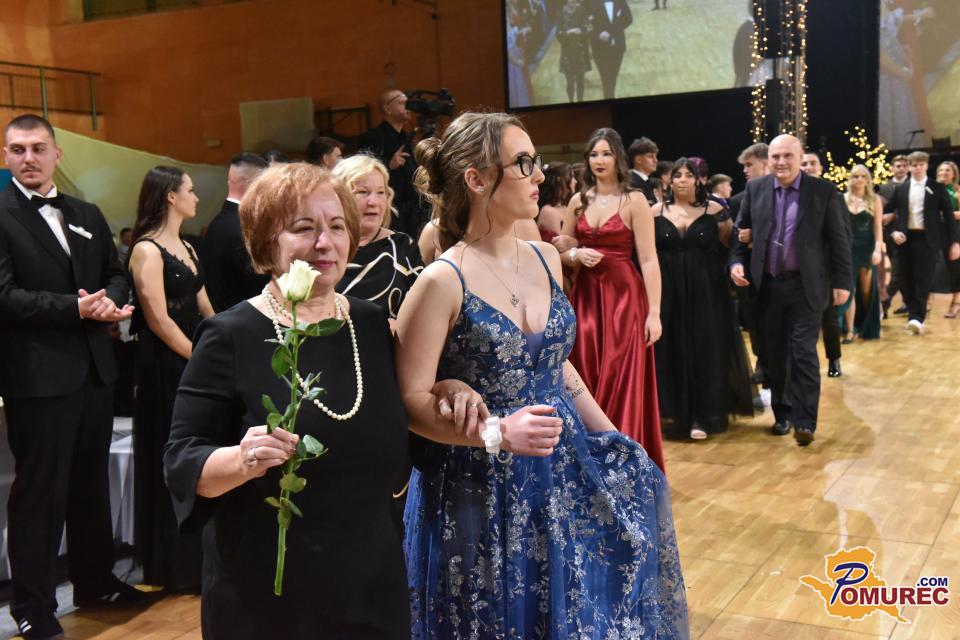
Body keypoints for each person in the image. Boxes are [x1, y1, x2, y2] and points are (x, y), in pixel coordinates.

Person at [396, 111, 688, 639]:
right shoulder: (442, 280)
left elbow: (558, 366)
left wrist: (610, 436)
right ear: (476, 179)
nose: (539, 174)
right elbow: (411, 400)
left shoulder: (546, 257)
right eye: (523, 163)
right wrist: (497, 433)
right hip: (478, 484)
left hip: (560, 466)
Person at [164, 163, 411, 638]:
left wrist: (451, 391)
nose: (325, 242)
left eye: (337, 226)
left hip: (371, 585)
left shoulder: (372, 325)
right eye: (304, 228)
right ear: (265, 241)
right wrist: (241, 460)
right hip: (266, 597)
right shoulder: (230, 334)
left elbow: (409, 420)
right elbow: (181, 461)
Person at [0, 114, 147, 640]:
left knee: (90, 483)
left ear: (56, 154)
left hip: (95, 371)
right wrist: (74, 309)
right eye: (18, 149)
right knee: (39, 493)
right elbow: (4, 296)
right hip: (37, 378)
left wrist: (112, 301)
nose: (29, 158)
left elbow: (115, 271)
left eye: (38, 148)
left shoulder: (85, 212)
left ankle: (95, 581)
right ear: (5, 156)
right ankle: (32, 605)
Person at [730, 134, 852, 446]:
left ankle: (804, 421)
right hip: (768, 286)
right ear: (769, 159)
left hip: (806, 286)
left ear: (800, 158)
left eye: (788, 156)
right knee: (774, 355)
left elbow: (839, 239)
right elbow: (740, 234)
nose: (781, 162)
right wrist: (736, 263)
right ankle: (782, 414)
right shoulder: (756, 190)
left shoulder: (823, 191)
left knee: (803, 352)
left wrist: (842, 281)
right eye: (776, 156)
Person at [127, 166, 214, 593]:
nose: (196, 197)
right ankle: (170, 563)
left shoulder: (189, 246)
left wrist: (224, 346)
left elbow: (206, 308)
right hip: (165, 365)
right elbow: (158, 320)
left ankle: (200, 559)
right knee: (169, 452)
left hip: (194, 358)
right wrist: (199, 358)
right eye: (190, 190)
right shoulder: (146, 250)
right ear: (170, 196)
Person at [560, 127, 665, 470]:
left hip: (624, 300)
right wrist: (576, 254)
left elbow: (648, 259)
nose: (599, 160)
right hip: (586, 297)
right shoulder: (578, 201)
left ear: (618, 157)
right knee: (587, 373)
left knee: (621, 376)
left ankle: (624, 464)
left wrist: (654, 312)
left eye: (606, 153)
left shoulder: (634, 200)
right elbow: (561, 249)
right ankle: (589, 464)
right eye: (593, 154)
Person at [653, 159, 753, 440]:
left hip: (707, 291)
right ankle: (673, 413)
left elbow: (730, 246)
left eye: (689, 175)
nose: (683, 180)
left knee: (705, 349)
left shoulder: (716, 210)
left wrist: (737, 264)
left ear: (699, 180)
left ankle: (703, 414)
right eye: (677, 175)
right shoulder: (654, 211)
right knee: (671, 348)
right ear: (670, 180)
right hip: (668, 291)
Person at [332, 154, 423, 329]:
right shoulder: (323, 248)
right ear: (339, 197)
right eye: (363, 192)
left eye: (380, 192)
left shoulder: (402, 246)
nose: (373, 202)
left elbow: (423, 312)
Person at [884, 150, 960, 334]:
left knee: (922, 279)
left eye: (920, 164)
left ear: (926, 165)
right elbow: (886, 215)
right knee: (903, 278)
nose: (917, 167)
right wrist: (893, 233)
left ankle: (917, 318)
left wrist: (955, 243)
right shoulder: (901, 189)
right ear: (909, 167)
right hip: (904, 240)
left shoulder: (937, 187)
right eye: (914, 165)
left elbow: (949, 218)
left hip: (927, 240)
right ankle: (912, 312)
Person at [200, 152, 269, 312]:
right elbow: (257, 284)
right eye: (265, 184)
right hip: (242, 314)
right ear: (252, 184)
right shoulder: (242, 227)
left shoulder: (220, 222)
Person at [800, 149, 844, 377]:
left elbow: (842, 235)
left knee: (829, 317)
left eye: (812, 163)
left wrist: (840, 276)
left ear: (820, 168)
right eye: (804, 163)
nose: (808, 167)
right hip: (799, 269)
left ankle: (834, 359)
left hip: (825, 268)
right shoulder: (792, 193)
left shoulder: (830, 192)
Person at [358, 89, 425, 237]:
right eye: (402, 103)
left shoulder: (407, 137)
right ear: (388, 109)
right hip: (391, 210)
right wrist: (389, 165)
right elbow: (363, 172)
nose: (408, 107)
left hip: (412, 210)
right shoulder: (373, 137)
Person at [731, 142, 770, 385]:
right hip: (750, 273)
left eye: (749, 165)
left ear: (765, 163)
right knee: (754, 322)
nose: (745, 170)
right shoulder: (738, 200)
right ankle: (762, 363)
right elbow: (736, 238)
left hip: (780, 272)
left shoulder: (786, 193)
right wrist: (735, 264)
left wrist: (756, 236)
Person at [837, 165, 883, 341]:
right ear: (851, 179)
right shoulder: (843, 199)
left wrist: (877, 249)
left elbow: (877, 227)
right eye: (856, 176)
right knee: (849, 288)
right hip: (847, 248)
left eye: (863, 176)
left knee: (865, 291)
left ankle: (864, 326)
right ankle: (849, 329)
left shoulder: (874, 200)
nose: (859, 179)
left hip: (867, 248)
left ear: (868, 179)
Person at [878, 154, 909, 315]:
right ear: (892, 168)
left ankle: (885, 302)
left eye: (904, 166)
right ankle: (908, 303)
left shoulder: (914, 185)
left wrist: (894, 216)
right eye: (898, 166)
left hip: (909, 235)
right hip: (889, 235)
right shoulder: (884, 188)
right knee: (900, 271)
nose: (901, 168)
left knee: (899, 272)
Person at [588, 0, 633, 100]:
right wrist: (598, 35)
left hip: (618, 48)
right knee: (606, 79)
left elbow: (629, 19)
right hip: (599, 48)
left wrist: (613, 31)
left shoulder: (620, 1)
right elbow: (585, 24)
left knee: (612, 78)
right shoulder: (591, 3)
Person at [934, 161, 960, 318]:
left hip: (954, 232)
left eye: (948, 170)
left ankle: (956, 302)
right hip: (934, 232)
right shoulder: (931, 190)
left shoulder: (957, 191)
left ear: (954, 174)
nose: (944, 173)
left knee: (955, 268)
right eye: (941, 170)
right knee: (930, 267)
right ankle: (927, 302)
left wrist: (945, 214)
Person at [557, 0, 592, 102]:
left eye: (573, 1)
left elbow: (588, 28)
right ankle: (571, 102)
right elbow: (558, 35)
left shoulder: (582, 11)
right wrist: (569, 32)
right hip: (567, 53)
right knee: (570, 83)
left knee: (580, 82)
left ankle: (580, 101)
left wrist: (581, 31)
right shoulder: (561, 15)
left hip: (580, 52)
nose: (572, 3)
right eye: (570, 1)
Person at [627, 136, 659, 205]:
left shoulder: (646, 181)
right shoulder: (631, 182)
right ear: (638, 160)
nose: (656, 160)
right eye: (650, 156)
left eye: (656, 156)